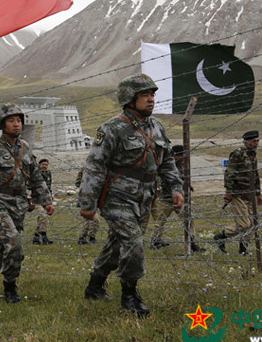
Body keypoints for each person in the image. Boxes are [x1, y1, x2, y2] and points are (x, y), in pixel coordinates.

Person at [77, 74, 183, 317]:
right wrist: (88, 203)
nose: (151, 99)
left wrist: (175, 188)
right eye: (144, 95)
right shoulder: (111, 129)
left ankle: (94, 286)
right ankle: (130, 295)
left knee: (117, 245)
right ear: (129, 98)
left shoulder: (157, 127)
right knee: (134, 243)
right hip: (117, 199)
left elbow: (166, 162)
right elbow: (95, 167)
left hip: (144, 199)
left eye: (152, 95)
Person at [0, 103, 53, 303]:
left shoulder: (25, 148)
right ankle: (10, 288)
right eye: (11, 121)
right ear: (2, 124)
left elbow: (36, 177)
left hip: (19, 204)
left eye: (18, 120)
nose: (16, 124)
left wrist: (46, 200)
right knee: (14, 244)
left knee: (0, 247)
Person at [215, 130, 262, 254]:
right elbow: (230, 173)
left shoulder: (253, 155)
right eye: (253, 141)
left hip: (250, 194)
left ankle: (243, 248)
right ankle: (220, 237)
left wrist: (258, 193)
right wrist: (228, 192)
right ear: (246, 142)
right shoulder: (238, 154)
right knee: (244, 225)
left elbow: (255, 175)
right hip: (238, 194)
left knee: (253, 223)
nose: (256, 143)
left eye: (257, 141)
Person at [149, 146, 202, 252]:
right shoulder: (167, 165)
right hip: (167, 198)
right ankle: (155, 240)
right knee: (161, 220)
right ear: (176, 155)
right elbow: (167, 181)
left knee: (188, 218)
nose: (184, 158)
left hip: (179, 198)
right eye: (182, 155)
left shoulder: (180, 165)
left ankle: (191, 241)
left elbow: (181, 178)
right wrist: (183, 184)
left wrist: (186, 184)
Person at [32, 159, 54, 245]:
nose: (44, 166)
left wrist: (50, 196)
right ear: (39, 165)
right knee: (43, 217)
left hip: (45, 200)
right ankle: (44, 238)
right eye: (43, 164)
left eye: (46, 164)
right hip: (36, 199)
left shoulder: (48, 173)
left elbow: (49, 186)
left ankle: (36, 238)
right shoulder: (35, 173)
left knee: (42, 219)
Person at [76, 170, 99, 244]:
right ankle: (91, 237)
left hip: (95, 198)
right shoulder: (84, 170)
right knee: (94, 219)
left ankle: (83, 237)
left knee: (89, 219)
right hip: (86, 198)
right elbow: (77, 183)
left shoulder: (100, 170)